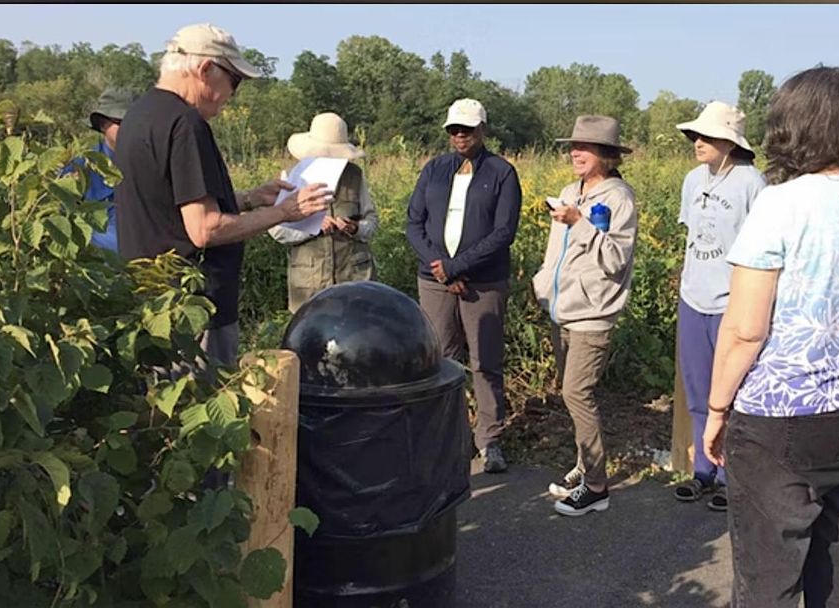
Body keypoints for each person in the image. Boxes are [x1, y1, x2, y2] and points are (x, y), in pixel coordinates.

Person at [702, 66, 839, 608]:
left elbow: (745, 328)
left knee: (768, 577)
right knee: (837, 555)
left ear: (790, 128)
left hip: (785, 417)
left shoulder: (782, 203)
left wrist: (716, 409)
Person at [114, 23, 328, 367]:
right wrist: (285, 212)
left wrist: (247, 199)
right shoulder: (186, 124)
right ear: (205, 70)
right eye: (234, 81)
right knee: (203, 410)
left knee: (158, 410)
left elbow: (169, 206)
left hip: (149, 303)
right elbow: (205, 229)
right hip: (194, 312)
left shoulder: (139, 116)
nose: (232, 95)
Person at [406, 98, 523, 473]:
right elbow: (414, 224)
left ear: (482, 129)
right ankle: (444, 436)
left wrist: (459, 266)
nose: (459, 135)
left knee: (485, 361)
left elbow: (503, 232)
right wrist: (440, 268)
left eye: (467, 129)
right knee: (439, 360)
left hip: (483, 282)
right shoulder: (434, 170)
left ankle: (489, 441)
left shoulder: (502, 173)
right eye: (454, 129)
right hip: (436, 281)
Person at [532, 115, 638, 517]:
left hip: (594, 314)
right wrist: (543, 282)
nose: (575, 152)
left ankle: (596, 486)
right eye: (572, 146)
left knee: (577, 393)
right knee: (573, 393)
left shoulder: (617, 199)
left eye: (586, 147)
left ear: (607, 156)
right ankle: (582, 465)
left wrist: (579, 224)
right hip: (563, 310)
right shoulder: (568, 191)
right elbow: (555, 253)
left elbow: (614, 259)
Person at [670, 101, 766, 512]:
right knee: (697, 389)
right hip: (694, 297)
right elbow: (693, 237)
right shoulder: (693, 180)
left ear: (730, 142)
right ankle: (702, 471)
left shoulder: (751, 183)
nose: (698, 143)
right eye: (696, 135)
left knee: (734, 392)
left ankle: (733, 476)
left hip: (732, 302)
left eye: (707, 136)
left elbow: (760, 251)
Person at [269, 112, 378, 312]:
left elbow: (371, 221)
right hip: (310, 283)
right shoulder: (293, 176)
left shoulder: (355, 176)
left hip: (353, 278)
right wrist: (314, 228)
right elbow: (277, 230)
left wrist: (355, 228)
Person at [64, 87, 137, 253]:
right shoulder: (81, 167)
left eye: (137, 122)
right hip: (100, 267)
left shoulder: (157, 164)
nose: (131, 129)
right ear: (103, 124)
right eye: (121, 123)